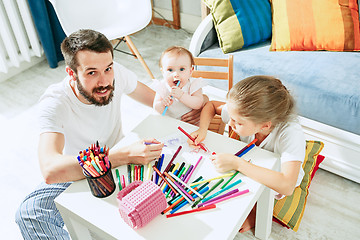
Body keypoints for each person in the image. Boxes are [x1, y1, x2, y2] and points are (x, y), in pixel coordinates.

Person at [15, 29, 202, 239]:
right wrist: (122, 156)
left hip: (118, 158)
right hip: (80, 169)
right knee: (30, 213)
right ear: (71, 73)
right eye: (91, 72)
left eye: (108, 68)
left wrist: (190, 112)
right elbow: (50, 169)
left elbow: (156, 101)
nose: (104, 81)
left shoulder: (116, 73)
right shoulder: (54, 102)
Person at [189, 75, 305, 233]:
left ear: (265, 125)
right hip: (250, 159)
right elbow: (211, 105)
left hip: (276, 177)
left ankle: (256, 212)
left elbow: (287, 186)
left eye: (238, 122)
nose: (230, 123)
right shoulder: (242, 115)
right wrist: (202, 130)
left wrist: (238, 163)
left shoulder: (291, 133)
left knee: (247, 201)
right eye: (231, 117)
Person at [153, 46, 206, 120]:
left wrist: (182, 96)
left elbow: (198, 104)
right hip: (169, 121)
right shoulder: (162, 86)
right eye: (170, 70)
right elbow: (156, 107)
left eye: (181, 69)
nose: (176, 74)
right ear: (163, 72)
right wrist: (162, 104)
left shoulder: (193, 84)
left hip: (190, 122)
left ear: (190, 71)